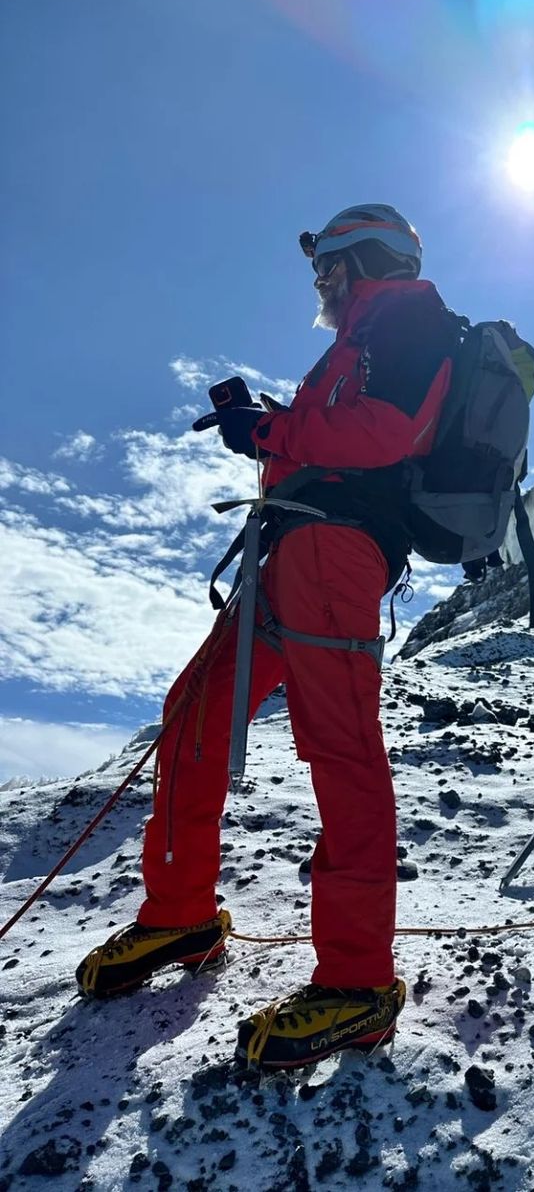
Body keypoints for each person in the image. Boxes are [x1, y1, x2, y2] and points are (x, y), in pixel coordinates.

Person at [77, 205, 459, 1068]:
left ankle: (358, 983)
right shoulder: (359, 341)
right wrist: (269, 428)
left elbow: (388, 431)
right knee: (194, 713)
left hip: (333, 552)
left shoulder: (409, 317)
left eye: (326, 266)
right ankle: (179, 917)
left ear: (362, 260)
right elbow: (342, 435)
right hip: (294, 548)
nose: (318, 282)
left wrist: (273, 430)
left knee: (342, 749)